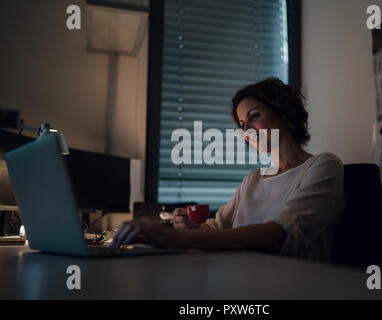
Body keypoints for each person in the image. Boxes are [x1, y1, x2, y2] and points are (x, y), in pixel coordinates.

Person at [111, 77, 345, 262]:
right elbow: (218, 226)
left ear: (283, 113)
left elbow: (278, 235)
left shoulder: (323, 166)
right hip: (244, 278)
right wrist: (192, 226)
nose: (248, 129)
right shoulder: (253, 179)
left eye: (255, 116)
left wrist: (179, 238)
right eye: (243, 124)